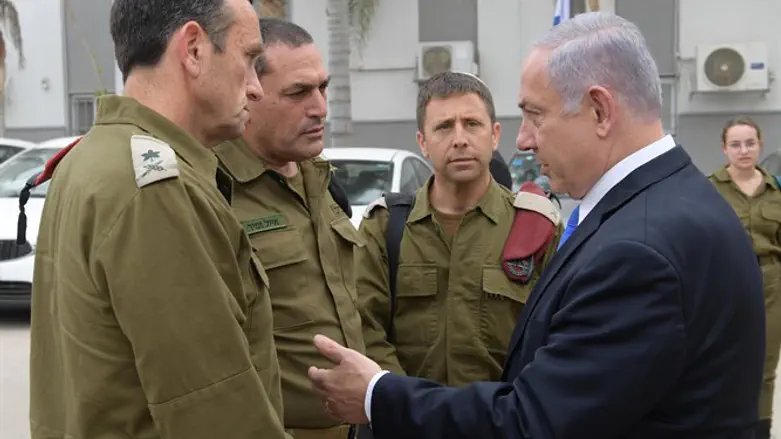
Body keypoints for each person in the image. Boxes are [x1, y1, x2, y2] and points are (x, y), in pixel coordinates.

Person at [307, 12, 765, 439]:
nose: (523, 140)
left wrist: (376, 394)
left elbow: (532, 422)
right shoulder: (670, 202)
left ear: (600, 111)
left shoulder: (638, 249)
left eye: (535, 115)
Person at [28, 1, 289, 438]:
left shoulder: (93, 158)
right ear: (192, 50)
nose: (257, 88)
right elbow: (213, 410)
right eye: (249, 59)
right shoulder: (156, 189)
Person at [357, 70, 561, 389]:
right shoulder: (385, 227)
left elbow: (553, 339)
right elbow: (365, 330)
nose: (460, 139)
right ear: (423, 142)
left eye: (472, 123)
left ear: (494, 135)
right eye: (443, 126)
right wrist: (407, 405)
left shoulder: (536, 226)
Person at [214, 17, 364, 439]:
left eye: (323, 87)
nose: (320, 107)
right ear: (251, 92)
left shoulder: (323, 183)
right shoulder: (214, 190)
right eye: (299, 92)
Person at [709, 116, 781, 439]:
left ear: (760, 145)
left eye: (750, 143)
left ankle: (760, 429)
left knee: (765, 366)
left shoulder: (776, 190)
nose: (743, 150)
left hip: (770, 283)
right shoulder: (707, 189)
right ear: (724, 149)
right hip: (726, 284)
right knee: (725, 360)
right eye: (735, 144)